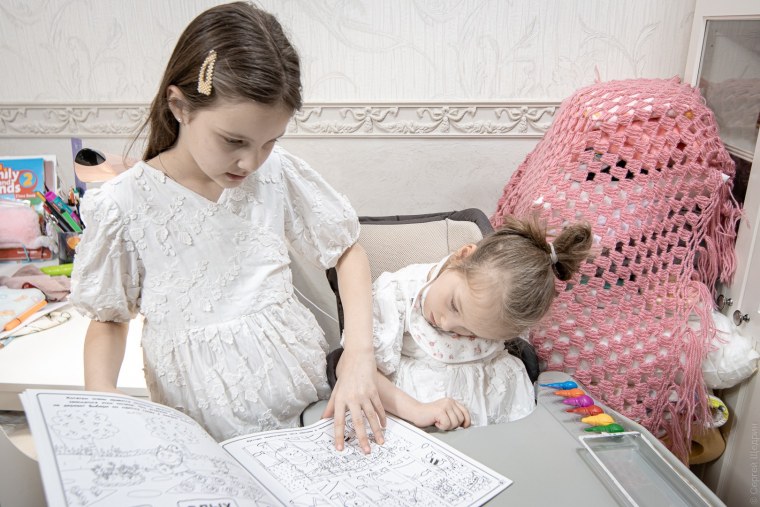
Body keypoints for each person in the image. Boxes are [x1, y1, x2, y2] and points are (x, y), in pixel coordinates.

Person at [70, 1, 384, 453]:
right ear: (179, 106)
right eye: (233, 141)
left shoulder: (275, 173)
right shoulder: (124, 204)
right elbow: (109, 316)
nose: (250, 162)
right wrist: (102, 393)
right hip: (200, 429)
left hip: (309, 406)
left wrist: (358, 354)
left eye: (269, 142)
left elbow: (347, 250)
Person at [333, 215, 593, 430]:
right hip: (413, 425)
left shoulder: (499, 317)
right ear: (463, 255)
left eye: (470, 332)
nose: (447, 325)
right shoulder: (397, 294)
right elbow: (353, 369)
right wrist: (417, 410)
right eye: (454, 305)